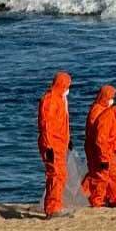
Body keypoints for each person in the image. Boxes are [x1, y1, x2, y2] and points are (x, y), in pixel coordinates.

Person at [37, 71, 72, 217]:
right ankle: (52, 208)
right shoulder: (50, 100)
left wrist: (68, 139)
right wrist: (49, 146)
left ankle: (55, 205)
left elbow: (61, 123)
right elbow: (46, 125)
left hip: (59, 143)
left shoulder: (60, 99)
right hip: (52, 144)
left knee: (60, 175)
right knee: (55, 175)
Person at [82, 85, 116, 198]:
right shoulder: (97, 110)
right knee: (100, 173)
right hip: (96, 147)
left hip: (97, 145)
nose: (113, 100)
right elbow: (98, 133)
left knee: (97, 172)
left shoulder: (101, 109)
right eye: (111, 97)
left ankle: (85, 194)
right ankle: (93, 197)